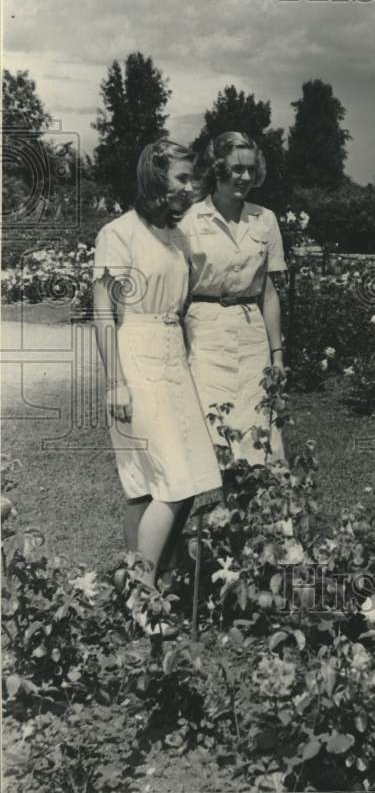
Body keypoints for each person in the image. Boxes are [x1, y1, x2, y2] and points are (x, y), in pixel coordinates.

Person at [92, 141, 223, 635]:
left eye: (193, 179)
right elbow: (104, 313)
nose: (192, 188)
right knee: (170, 482)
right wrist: (115, 382)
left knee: (158, 487)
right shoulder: (117, 234)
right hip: (137, 355)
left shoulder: (176, 235)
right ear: (154, 179)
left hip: (173, 355)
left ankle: (154, 583)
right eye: (183, 179)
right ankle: (143, 602)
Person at [178, 132, 286, 463]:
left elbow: (268, 292)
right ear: (217, 168)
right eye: (237, 169)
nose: (245, 178)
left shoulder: (265, 219)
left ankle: (260, 512)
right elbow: (177, 294)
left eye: (251, 170)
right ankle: (228, 511)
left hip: (252, 333)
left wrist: (277, 355)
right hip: (206, 333)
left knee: (260, 434)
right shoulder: (189, 220)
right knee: (218, 435)